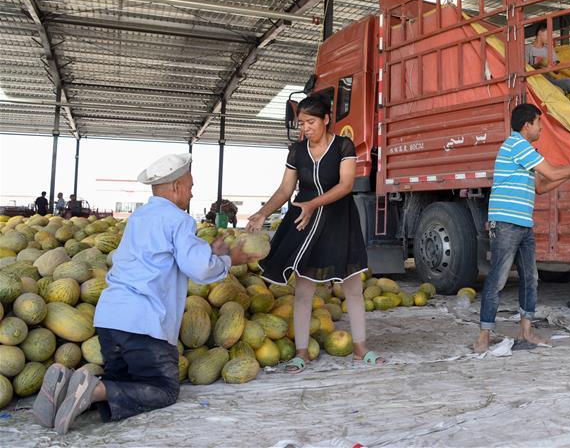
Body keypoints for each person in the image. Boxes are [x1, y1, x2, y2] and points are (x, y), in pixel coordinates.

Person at [32, 153, 249, 434]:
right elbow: (198, 267)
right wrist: (230, 259)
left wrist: (210, 253)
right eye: (190, 185)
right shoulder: (179, 220)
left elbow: (164, 256)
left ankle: (67, 385)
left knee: (123, 381)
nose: (192, 191)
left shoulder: (140, 217)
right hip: (144, 323)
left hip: (110, 319)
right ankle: (91, 389)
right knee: (163, 390)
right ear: (175, 187)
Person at [247, 93, 383, 370]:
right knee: (304, 289)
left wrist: (313, 203)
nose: (305, 128)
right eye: (301, 124)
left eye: (310, 122)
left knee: (353, 287)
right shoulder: (297, 152)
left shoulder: (344, 146)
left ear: (326, 120)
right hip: (303, 223)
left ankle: (360, 348)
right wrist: (264, 212)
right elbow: (286, 190)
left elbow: (345, 186)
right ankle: (301, 352)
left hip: (338, 221)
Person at [474, 103, 570, 353]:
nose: (541, 128)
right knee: (498, 279)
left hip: (523, 223)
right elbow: (551, 173)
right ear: (527, 124)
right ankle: (484, 335)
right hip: (507, 223)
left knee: (530, 278)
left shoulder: (525, 150)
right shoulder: (517, 144)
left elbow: (541, 186)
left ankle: (526, 332)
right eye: (539, 123)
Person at [526, 22, 570, 95]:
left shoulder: (549, 49)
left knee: (569, 82)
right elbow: (525, 69)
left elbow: (557, 71)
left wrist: (554, 67)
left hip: (550, 80)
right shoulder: (528, 49)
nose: (550, 37)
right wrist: (538, 65)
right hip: (535, 81)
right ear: (540, 32)